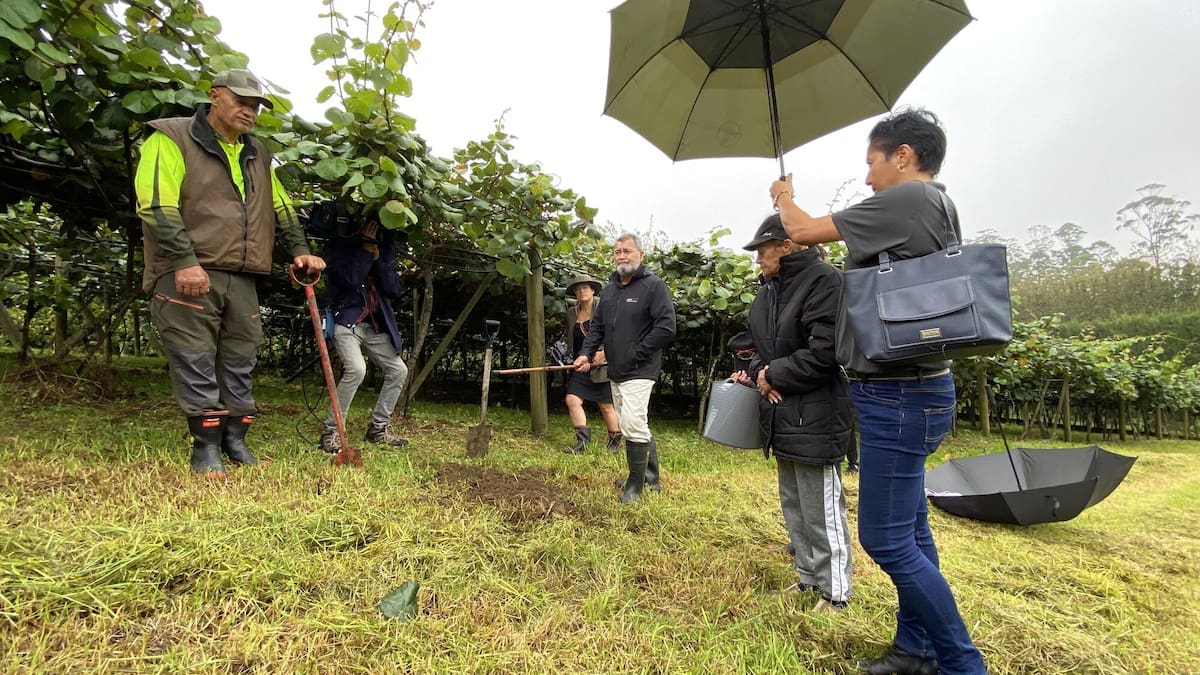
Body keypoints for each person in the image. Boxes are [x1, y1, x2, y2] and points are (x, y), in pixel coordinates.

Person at [769, 108, 987, 675]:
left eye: (872, 162)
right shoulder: (938, 205)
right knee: (912, 529)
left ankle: (963, 665)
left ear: (904, 155)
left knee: (886, 541)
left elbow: (801, 230)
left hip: (898, 394)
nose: (867, 177)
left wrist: (781, 195)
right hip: (918, 387)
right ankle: (915, 649)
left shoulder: (911, 200)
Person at [135, 69, 324, 479]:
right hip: (188, 269)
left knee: (240, 356)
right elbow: (155, 205)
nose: (249, 111)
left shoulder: (257, 152)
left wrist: (300, 251)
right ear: (215, 96)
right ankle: (204, 446)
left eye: (255, 105)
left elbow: (281, 207)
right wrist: (184, 261)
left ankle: (235, 438)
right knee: (194, 355)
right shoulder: (171, 138)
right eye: (241, 101)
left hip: (241, 274)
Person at [734, 214, 854, 614]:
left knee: (821, 506)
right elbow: (757, 350)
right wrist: (756, 373)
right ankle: (807, 578)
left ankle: (836, 593)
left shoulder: (824, 281)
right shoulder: (768, 293)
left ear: (788, 245)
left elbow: (825, 353)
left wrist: (771, 374)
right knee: (794, 503)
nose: (757, 260)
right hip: (781, 412)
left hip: (815, 413)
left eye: (762, 250)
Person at [574, 234, 676, 503]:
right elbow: (597, 328)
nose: (621, 256)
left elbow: (666, 327)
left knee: (630, 422)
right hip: (615, 370)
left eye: (627, 251)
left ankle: (635, 486)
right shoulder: (609, 291)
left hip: (641, 369)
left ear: (641, 255)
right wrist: (586, 353)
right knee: (635, 422)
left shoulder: (654, 287)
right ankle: (650, 478)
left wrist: (637, 353)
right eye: (617, 251)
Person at [318, 217, 410, 453]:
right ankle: (332, 431)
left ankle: (378, 429)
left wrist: (377, 258)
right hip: (345, 322)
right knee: (357, 370)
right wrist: (365, 252)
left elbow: (392, 289)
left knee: (398, 370)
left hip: (374, 325)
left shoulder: (383, 251)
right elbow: (349, 281)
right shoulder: (338, 249)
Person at [558, 273, 622, 455]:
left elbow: (614, 334)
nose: (581, 291)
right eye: (577, 289)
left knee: (605, 405)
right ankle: (582, 442)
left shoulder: (604, 308)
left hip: (601, 364)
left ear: (593, 290)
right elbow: (571, 337)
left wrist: (603, 354)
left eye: (585, 287)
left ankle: (614, 441)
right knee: (572, 400)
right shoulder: (572, 313)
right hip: (579, 363)